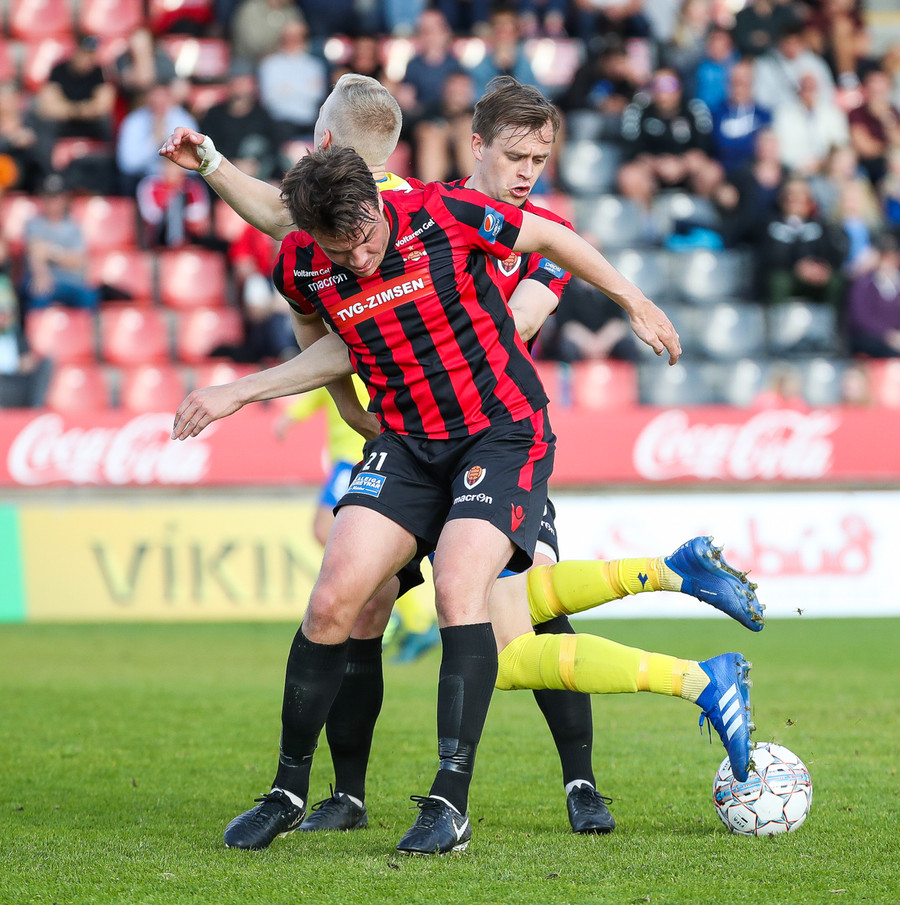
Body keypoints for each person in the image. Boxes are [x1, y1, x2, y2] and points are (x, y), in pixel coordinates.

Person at [162, 78, 757, 856]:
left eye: (367, 241)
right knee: (337, 600)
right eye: (343, 252)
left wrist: (633, 300)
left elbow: (552, 244)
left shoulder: (444, 212)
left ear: (376, 198)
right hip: (408, 439)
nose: (360, 258)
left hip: (498, 432)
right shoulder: (306, 257)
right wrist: (322, 400)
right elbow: (324, 327)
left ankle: (461, 799)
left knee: (474, 598)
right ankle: (290, 790)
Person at [273, 381, 440, 664]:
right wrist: (292, 417)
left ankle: (411, 619)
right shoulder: (337, 366)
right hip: (354, 457)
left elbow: (329, 379)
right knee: (353, 545)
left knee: (333, 535)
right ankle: (410, 618)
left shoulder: (362, 362)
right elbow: (323, 385)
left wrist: (291, 417)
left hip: (358, 457)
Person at [21, 174, 98, 312]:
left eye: (56, 197)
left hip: (71, 282)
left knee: (89, 296)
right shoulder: (33, 224)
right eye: (48, 197)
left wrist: (51, 252)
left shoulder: (74, 227)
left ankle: (89, 327)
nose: (53, 202)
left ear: (65, 199)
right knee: (40, 291)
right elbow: (35, 254)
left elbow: (79, 261)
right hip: (46, 281)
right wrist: (42, 274)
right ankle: (35, 326)